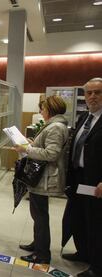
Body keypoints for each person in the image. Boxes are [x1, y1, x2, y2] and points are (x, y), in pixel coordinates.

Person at [14, 96, 68, 264]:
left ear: (50, 109)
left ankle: (42, 253)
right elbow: (45, 147)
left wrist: (27, 149)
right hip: (41, 177)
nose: (40, 112)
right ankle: (38, 244)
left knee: (40, 216)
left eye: (43, 109)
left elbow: (51, 154)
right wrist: (31, 144)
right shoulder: (53, 125)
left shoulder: (56, 127)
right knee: (38, 214)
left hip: (45, 178)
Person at [62, 78, 102, 277]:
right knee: (78, 218)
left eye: (98, 92)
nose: (93, 96)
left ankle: (97, 267)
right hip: (78, 176)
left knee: (96, 223)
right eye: (89, 93)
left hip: (97, 181)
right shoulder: (84, 117)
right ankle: (83, 253)